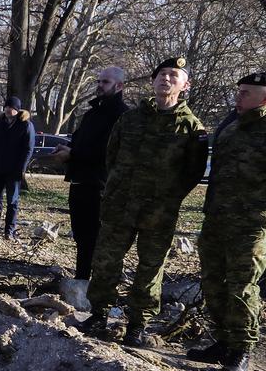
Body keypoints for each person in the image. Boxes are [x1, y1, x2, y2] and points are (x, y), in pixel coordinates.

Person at [83, 57, 210, 346]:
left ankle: (138, 324)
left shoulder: (192, 128)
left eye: (173, 75)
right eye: (161, 74)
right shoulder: (130, 118)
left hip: (158, 212)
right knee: (105, 261)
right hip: (119, 205)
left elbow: (193, 172)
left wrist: (167, 197)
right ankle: (99, 314)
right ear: (152, 82)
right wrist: (118, 187)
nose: (165, 79)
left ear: (185, 85)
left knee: (150, 268)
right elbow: (111, 155)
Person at [191, 71, 266, 371]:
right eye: (238, 91)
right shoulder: (232, 127)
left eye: (246, 93)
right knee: (212, 281)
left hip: (251, 224)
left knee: (243, 286)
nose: (238, 97)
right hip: (218, 219)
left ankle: (242, 349)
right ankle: (223, 341)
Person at [64, 66, 128, 280]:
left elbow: (107, 151)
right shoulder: (92, 112)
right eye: (99, 81)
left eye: (105, 82)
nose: (100, 86)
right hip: (80, 181)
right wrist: (66, 150)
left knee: (95, 237)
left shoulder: (121, 115)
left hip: (100, 184)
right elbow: (80, 140)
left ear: (119, 86)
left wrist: (72, 154)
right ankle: (82, 278)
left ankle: (94, 283)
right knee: (81, 236)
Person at [0, 95, 35, 238]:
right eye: (6, 107)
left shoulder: (26, 125)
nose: (7, 109)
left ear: (17, 110)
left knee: (12, 201)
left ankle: (9, 230)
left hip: (14, 169)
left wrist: (22, 168)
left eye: (11, 107)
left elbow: (28, 149)